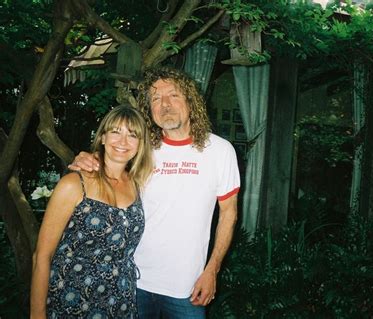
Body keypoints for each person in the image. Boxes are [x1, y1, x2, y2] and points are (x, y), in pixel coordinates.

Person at [69, 67, 240, 318]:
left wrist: (212, 270)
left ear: (191, 102)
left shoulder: (220, 151)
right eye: (156, 98)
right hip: (132, 280)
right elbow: (109, 160)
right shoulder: (142, 148)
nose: (165, 104)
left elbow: (228, 215)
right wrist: (88, 158)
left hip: (187, 286)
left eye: (173, 95)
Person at [30, 105, 154, 318]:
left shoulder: (138, 183)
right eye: (115, 132)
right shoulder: (74, 184)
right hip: (73, 297)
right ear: (103, 137)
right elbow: (41, 256)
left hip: (121, 298)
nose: (123, 142)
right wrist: (37, 315)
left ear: (140, 145)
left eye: (132, 135)